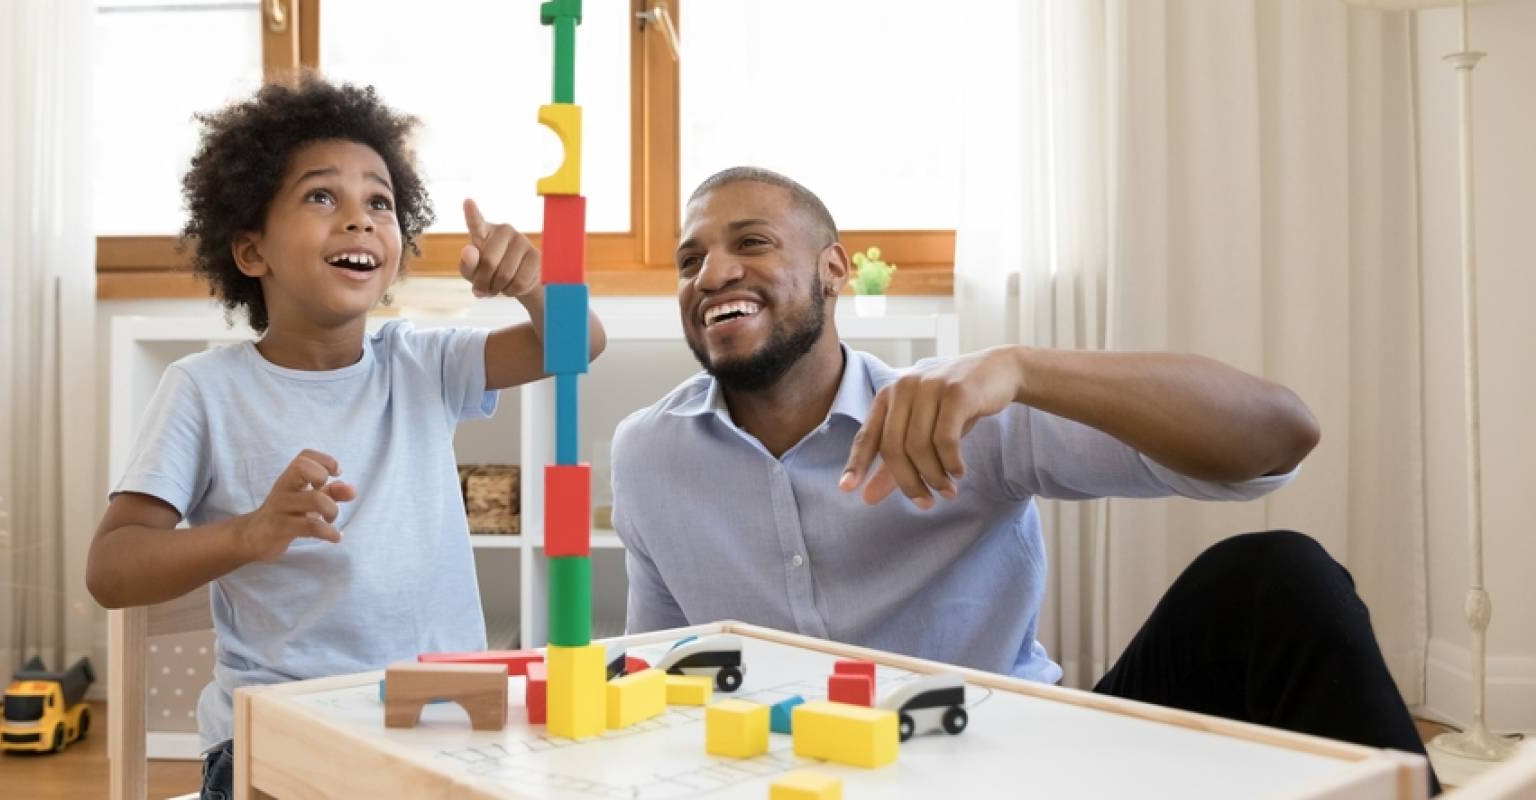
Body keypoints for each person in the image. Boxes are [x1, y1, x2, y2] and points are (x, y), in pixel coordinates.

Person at [611, 166, 1435, 791]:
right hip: (804, 780)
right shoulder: (649, 456)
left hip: (1030, 773)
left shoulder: (965, 407)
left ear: (833, 271)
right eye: (690, 260)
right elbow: (659, 673)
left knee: (1272, 578)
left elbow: (1281, 436)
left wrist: (1021, 368)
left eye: (750, 243)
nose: (711, 273)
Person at [84, 74, 606, 800]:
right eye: (322, 196)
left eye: (381, 202)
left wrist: (529, 281)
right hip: (277, 736)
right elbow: (112, 568)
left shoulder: (422, 363)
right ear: (251, 250)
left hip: (444, 722)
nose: (360, 219)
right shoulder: (205, 390)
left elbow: (579, 343)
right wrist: (249, 534)